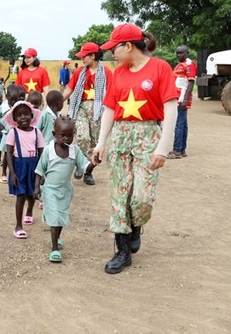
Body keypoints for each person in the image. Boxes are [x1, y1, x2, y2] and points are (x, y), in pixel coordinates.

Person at [92, 23, 178, 275]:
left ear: (128, 46)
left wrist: (164, 147)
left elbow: (171, 108)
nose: (111, 54)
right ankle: (122, 250)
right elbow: (109, 108)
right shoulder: (118, 73)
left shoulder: (160, 68)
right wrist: (101, 142)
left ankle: (136, 225)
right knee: (119, 193)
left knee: (142, 196)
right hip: (121, 134)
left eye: (114, 49)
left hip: (148, 135)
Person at [34, 116, 93, 263]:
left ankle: (57, 238)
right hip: (50, 190)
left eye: (70, 135)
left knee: (60, 217)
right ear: (54, 134)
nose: (66, 139)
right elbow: (39, 170)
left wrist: (94, 163)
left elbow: (85, 167)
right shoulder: (48, 150)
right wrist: (36, 188)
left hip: (66, 190)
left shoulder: (75, 151)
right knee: (54, 218)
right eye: (62, 135)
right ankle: (54, 248)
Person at [62, 42, 114, 186]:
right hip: (81, 108)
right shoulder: (80, 72)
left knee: (95, 143)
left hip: (100, 111)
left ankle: (88, 171)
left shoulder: (107, 73)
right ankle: (81, 164)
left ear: (93, 56)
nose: (82, 59)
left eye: (84, 56)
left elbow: (112, 94)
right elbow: (69, 89)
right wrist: (58, 102)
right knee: (82, 137)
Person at [4, 100, 45, 238]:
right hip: (19, 166)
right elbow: (9, 153)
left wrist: (42, 171)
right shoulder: (12, 132)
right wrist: (12, 173)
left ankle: (29, 211)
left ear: (31, 116)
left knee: (31, 193)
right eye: (19, 115)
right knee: (20, 195)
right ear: (14, 119)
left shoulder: (37, 132)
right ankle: (18, 225)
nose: (23, 117)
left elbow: (41, 153)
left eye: (26, 114)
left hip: (33, 166)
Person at [168, 45, 197, 159]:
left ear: (187, 53)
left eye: (181, 53)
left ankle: (177, 150)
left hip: (181, 98)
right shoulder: (181, 64)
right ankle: (182, 149)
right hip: (178, 97)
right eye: (177, 53)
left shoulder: (189, 64)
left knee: (178, 124)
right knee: (183, 124)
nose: (179, 55)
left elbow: (190, 83)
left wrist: (185, 99)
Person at [0, 84, 24, 183]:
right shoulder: (3, 107)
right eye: (11, 100)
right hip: (7, 135)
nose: (13, 102)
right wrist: (0, 126)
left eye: (16, 100)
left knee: (16, 155)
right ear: (7, 97)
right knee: (7, 155)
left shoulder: (18, 106)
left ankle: (15, 174)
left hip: (17, 134)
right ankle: (3, 173)